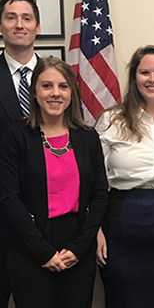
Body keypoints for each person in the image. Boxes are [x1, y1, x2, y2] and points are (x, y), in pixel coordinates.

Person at [0, 56, 108, 308]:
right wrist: (43, 252)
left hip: (78, 246)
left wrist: (80, 248)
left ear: (71, 92)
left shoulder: (88, 137)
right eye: (46, 86)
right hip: (30, 245)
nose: (55, 93)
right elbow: (8, 197)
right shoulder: (16, 136)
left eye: (63, 86)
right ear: (34, 92)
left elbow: (100, 194)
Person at [95, 45, 154, 308]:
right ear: (134, 78)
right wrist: (96, 231)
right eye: (144, 72)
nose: (152, 79)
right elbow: (94, 182)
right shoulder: (111, 120)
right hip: (120, 229)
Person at [0, 0, 40, 307]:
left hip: (49, 216)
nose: (19, 25)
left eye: (26, 18)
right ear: (1, 26)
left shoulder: (60, 78)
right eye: (11, 17)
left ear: (37, 26)